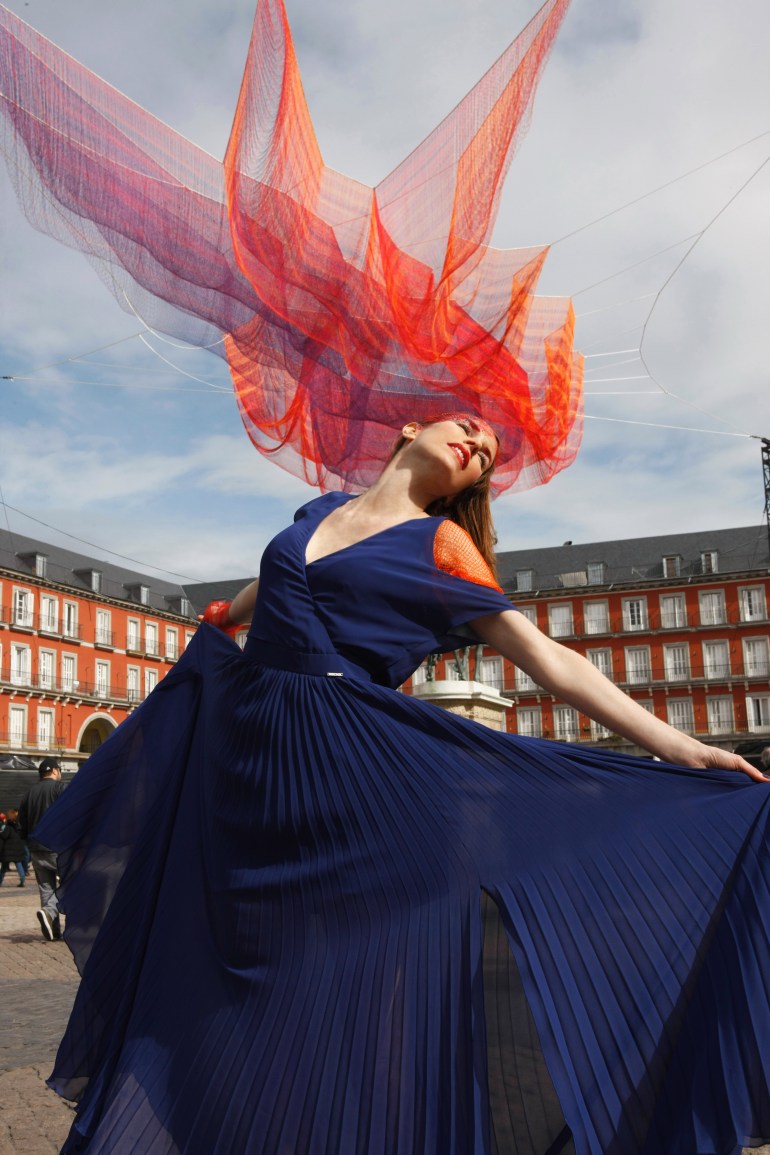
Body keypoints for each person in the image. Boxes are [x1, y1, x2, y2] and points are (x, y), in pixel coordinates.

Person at [34, 416, 770, 1155]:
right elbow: (281, 574)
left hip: (346, 771)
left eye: (485, 459)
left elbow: (544, 656)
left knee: (323, 991)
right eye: (471, 431)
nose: (477, 449)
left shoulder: (444, 546)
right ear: (413, 429)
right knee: (218, 973)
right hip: (248, 770)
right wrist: (227, 615)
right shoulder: (321, 510)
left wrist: (680, 746)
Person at [18, 756, 65, 940]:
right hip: (57, 846)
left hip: (35, 849)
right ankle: (49, 911)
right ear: (54, 771)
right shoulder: (60, 788)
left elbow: (21, 823)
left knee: (46, 889)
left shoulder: (28, 793)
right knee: (71, 884)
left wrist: (28, 843)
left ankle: (53, 932)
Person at [0, 808, 27, 886]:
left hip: (8, 850)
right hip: (17, 849)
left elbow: (4, 836)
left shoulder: (7, 827)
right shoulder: (18, 826)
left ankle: (0, 880)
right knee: (19, 864)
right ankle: (22, 880)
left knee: (4, 867)